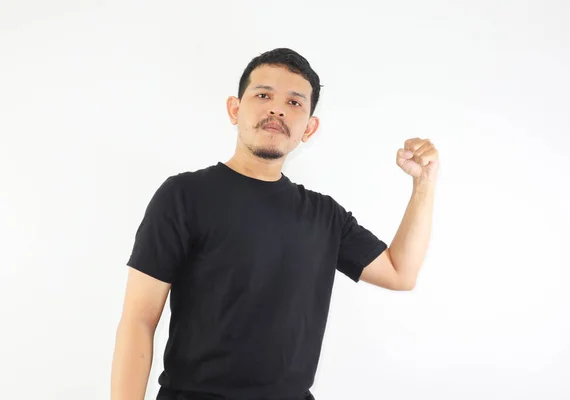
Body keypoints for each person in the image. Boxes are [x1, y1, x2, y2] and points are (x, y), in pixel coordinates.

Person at [111, 48, 439, 400]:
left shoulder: (325, 215)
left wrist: (424, 184)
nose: (277, 109)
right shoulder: (184, 195)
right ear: (234, 109)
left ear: (309, 128)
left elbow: (400, 273)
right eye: (263, 95)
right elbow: (139, 320)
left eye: (295, 103)